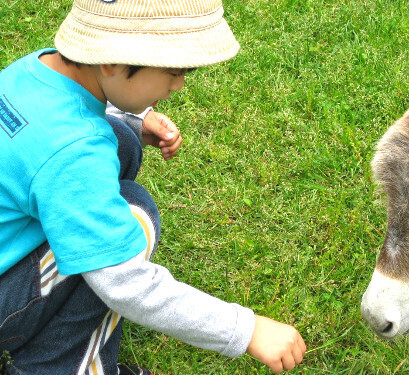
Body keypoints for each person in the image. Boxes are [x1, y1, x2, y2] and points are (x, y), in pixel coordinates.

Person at [0, 0, 307, 374]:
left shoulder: (33, 69)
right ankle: (58, 367)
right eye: (173, 70)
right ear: (111, 60)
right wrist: (246, 329)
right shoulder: (74, 153)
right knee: (133, 215)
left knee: (120, 142)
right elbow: (125, 282)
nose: (178, 84)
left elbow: (57, 134)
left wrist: (133, 122)